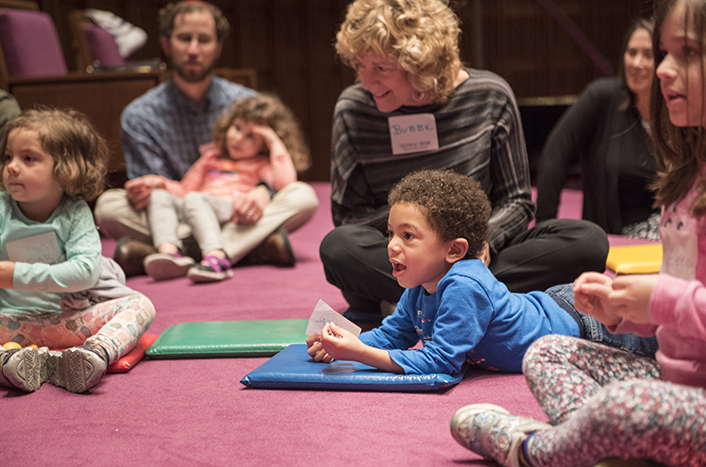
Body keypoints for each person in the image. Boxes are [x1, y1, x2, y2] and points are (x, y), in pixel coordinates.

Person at [450, 1, 706, 465]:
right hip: (670, 382)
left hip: (689, 403)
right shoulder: (687, 180)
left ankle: (536, 449)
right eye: (663, 52)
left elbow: (675, 299)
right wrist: (621, 312)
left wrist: (656, 298)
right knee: (546, 353)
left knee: (628, 406)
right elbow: (677, 312)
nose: (663, 70)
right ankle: (610, 446)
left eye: (686, 53)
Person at [320, 0, 610, 326]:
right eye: (359, 64)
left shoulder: (490, 95)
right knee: (339, 249)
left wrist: (475, 243)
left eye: (381, 69)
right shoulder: (353, 107)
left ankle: (422, 303)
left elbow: (516, 201)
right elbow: (348, 218)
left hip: (475, 252)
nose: (366, 81)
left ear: (422, 64)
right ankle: (475, 299)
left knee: (587, 241)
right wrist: (422, 236)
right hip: (399, 254)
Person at [306, 170, 655, 377]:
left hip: (586, 325)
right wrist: (342, 344)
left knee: (665, 350)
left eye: (408, 236)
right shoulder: (419, 283)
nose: (392, 246)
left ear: (454, 250)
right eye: (391, 234)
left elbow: (441, 362)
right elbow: (391, 336)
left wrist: (359, 354)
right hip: (556, 306)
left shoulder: (463, 285)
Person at [93, 1, 319, 276]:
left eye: (204, 40)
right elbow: (158, 198)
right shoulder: (139, 115)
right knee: (108, 207)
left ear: (218, 47)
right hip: (179, 215)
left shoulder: (244, 103)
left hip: (237, 211)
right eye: (184, 39)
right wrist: (147, 188)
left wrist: (263, 190)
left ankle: (168, 252)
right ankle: (248, 248)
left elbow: (276, 172)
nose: (193, 50)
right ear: (166, 43)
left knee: (303, 196)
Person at [0, 108, 156, 394]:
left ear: (64, 168)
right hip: (9, 323)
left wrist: (16, 274)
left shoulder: (75, 213)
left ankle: (93, 354)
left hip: (70, 322)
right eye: (8, 156)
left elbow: (85, 272)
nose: (12, 166)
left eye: (28, 158)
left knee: (141, 305)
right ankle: (12, 363)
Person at [142, 93, 312, 283]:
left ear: (263, 146)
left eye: (251, 137)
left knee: (195, 199)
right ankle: (170, 254)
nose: (238, 138)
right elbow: (185, 189)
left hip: (230, 213)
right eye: (237, 128)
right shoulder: (212, 157)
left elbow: (286, 183)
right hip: (193, 212)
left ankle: (215, 256)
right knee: (159, 196)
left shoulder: (261, 163)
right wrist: (161, 184)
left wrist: (273, 140)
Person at [535, 18, 661, 240]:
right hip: (617, 238)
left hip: (668, 231)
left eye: (648, 55)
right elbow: (556, 153)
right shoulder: (602, 97)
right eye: (631, 53)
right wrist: (545, 230)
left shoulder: (675, 111)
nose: (637, 63)